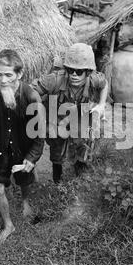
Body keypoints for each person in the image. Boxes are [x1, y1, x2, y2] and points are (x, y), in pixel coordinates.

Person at [0, 49, 44, 243]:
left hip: (23, 149)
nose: (3, 80)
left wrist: (31, 158)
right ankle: (8, 225)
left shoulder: (32, 97)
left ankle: (26, 201)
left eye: (8, 75)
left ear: (19, 74)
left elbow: (39, 134)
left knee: (24, 179)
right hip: (1, 149)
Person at [32, 43, 108, 183]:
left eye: (79, 72)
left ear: (88, 72)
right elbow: (31, 91)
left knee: (84, 140)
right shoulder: (54, 79)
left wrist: (102, 105)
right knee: (57, 149)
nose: (74, 75)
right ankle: (57, 180)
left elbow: (104, 84)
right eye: (71, 70)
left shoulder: (93, 79)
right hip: (56, 117)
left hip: (79, 115)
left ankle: (80, 168)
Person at [95, 0, 120, 73]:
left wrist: (105, 53)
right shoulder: (112, 13)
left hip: (106, 47)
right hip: (107, 45)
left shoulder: (105, 15)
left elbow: (105, 37)